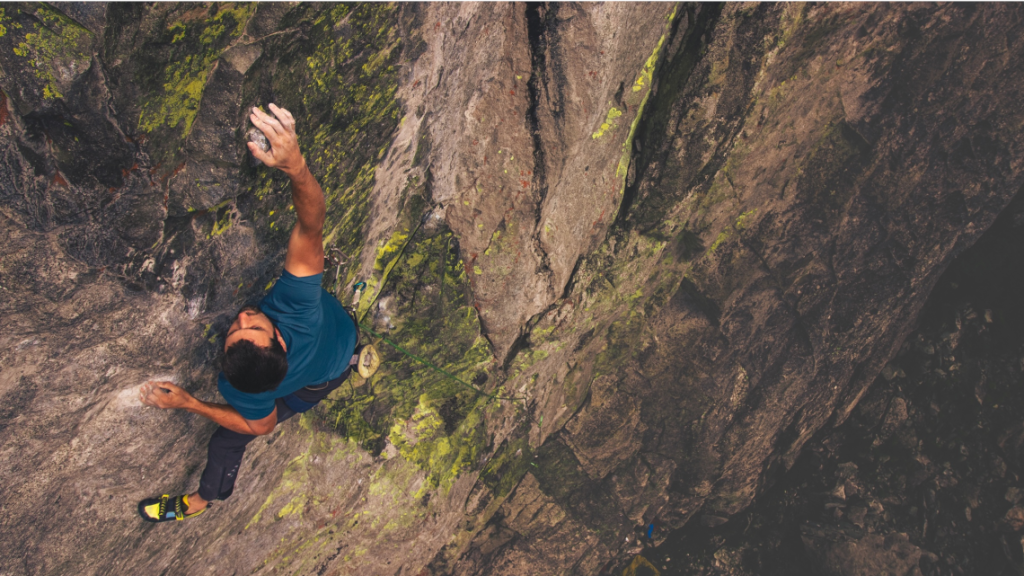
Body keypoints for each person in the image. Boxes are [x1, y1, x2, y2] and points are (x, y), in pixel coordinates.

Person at [138, 104, 359, 523]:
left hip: (323, 373)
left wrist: (190, 403)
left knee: (226, 441)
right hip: (331, 354)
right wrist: (295, 169)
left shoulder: (253, 380)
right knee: (229, 437)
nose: (242, 316)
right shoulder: (294, 312)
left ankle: (197, 504)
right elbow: (312, 223)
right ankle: (202, 502)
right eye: (251, 324)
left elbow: (262, 426)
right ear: (277, 338)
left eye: (239, 328)